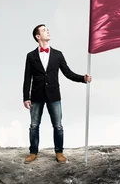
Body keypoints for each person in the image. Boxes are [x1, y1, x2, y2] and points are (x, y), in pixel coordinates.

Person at [22, 24, 92, 164]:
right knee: (34, 125)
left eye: (47, 30)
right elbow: (27, 78)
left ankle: (59, 152)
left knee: (58, 126)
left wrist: (82, 79)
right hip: (36, 96)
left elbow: (68, 73)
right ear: (37, 36)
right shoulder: (30, 56)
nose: (47, 31)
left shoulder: (57, 54)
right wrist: (26, 97)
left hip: (54, 96)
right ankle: (33, 152)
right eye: (44, 30)